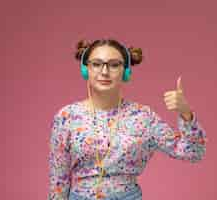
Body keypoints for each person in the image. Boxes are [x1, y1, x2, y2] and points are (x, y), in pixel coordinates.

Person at [48, 38, 208, 200]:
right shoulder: (67, 117)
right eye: (96, 64)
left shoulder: (143, 117)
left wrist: (185, 113)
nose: (104, 71)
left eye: (114, 65)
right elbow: (58, 180)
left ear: (125, 72)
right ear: (85, 69)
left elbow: (193, 152)